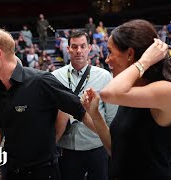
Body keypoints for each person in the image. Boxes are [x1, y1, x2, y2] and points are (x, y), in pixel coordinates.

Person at [0, 28, 91, 180]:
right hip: (11, 172)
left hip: (43, 173)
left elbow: (80, 111)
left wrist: (110, 143)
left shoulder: (40, 81)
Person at [80, 19, 171, 180]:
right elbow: (116, 151)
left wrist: (144, 61)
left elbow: (108, 94)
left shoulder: (168, 90)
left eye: (110, 52)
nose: (106, 60)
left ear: (129, 54)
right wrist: (95, 115)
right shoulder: (131, 92)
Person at [52, 30, 118, 180]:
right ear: (68, 49)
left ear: (89, 48)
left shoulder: (104, 76)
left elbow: (112, 117)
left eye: (83, 46)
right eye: (74, 47)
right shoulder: (55, 77)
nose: (79, 51)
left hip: (97, 147)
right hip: (67, 149)